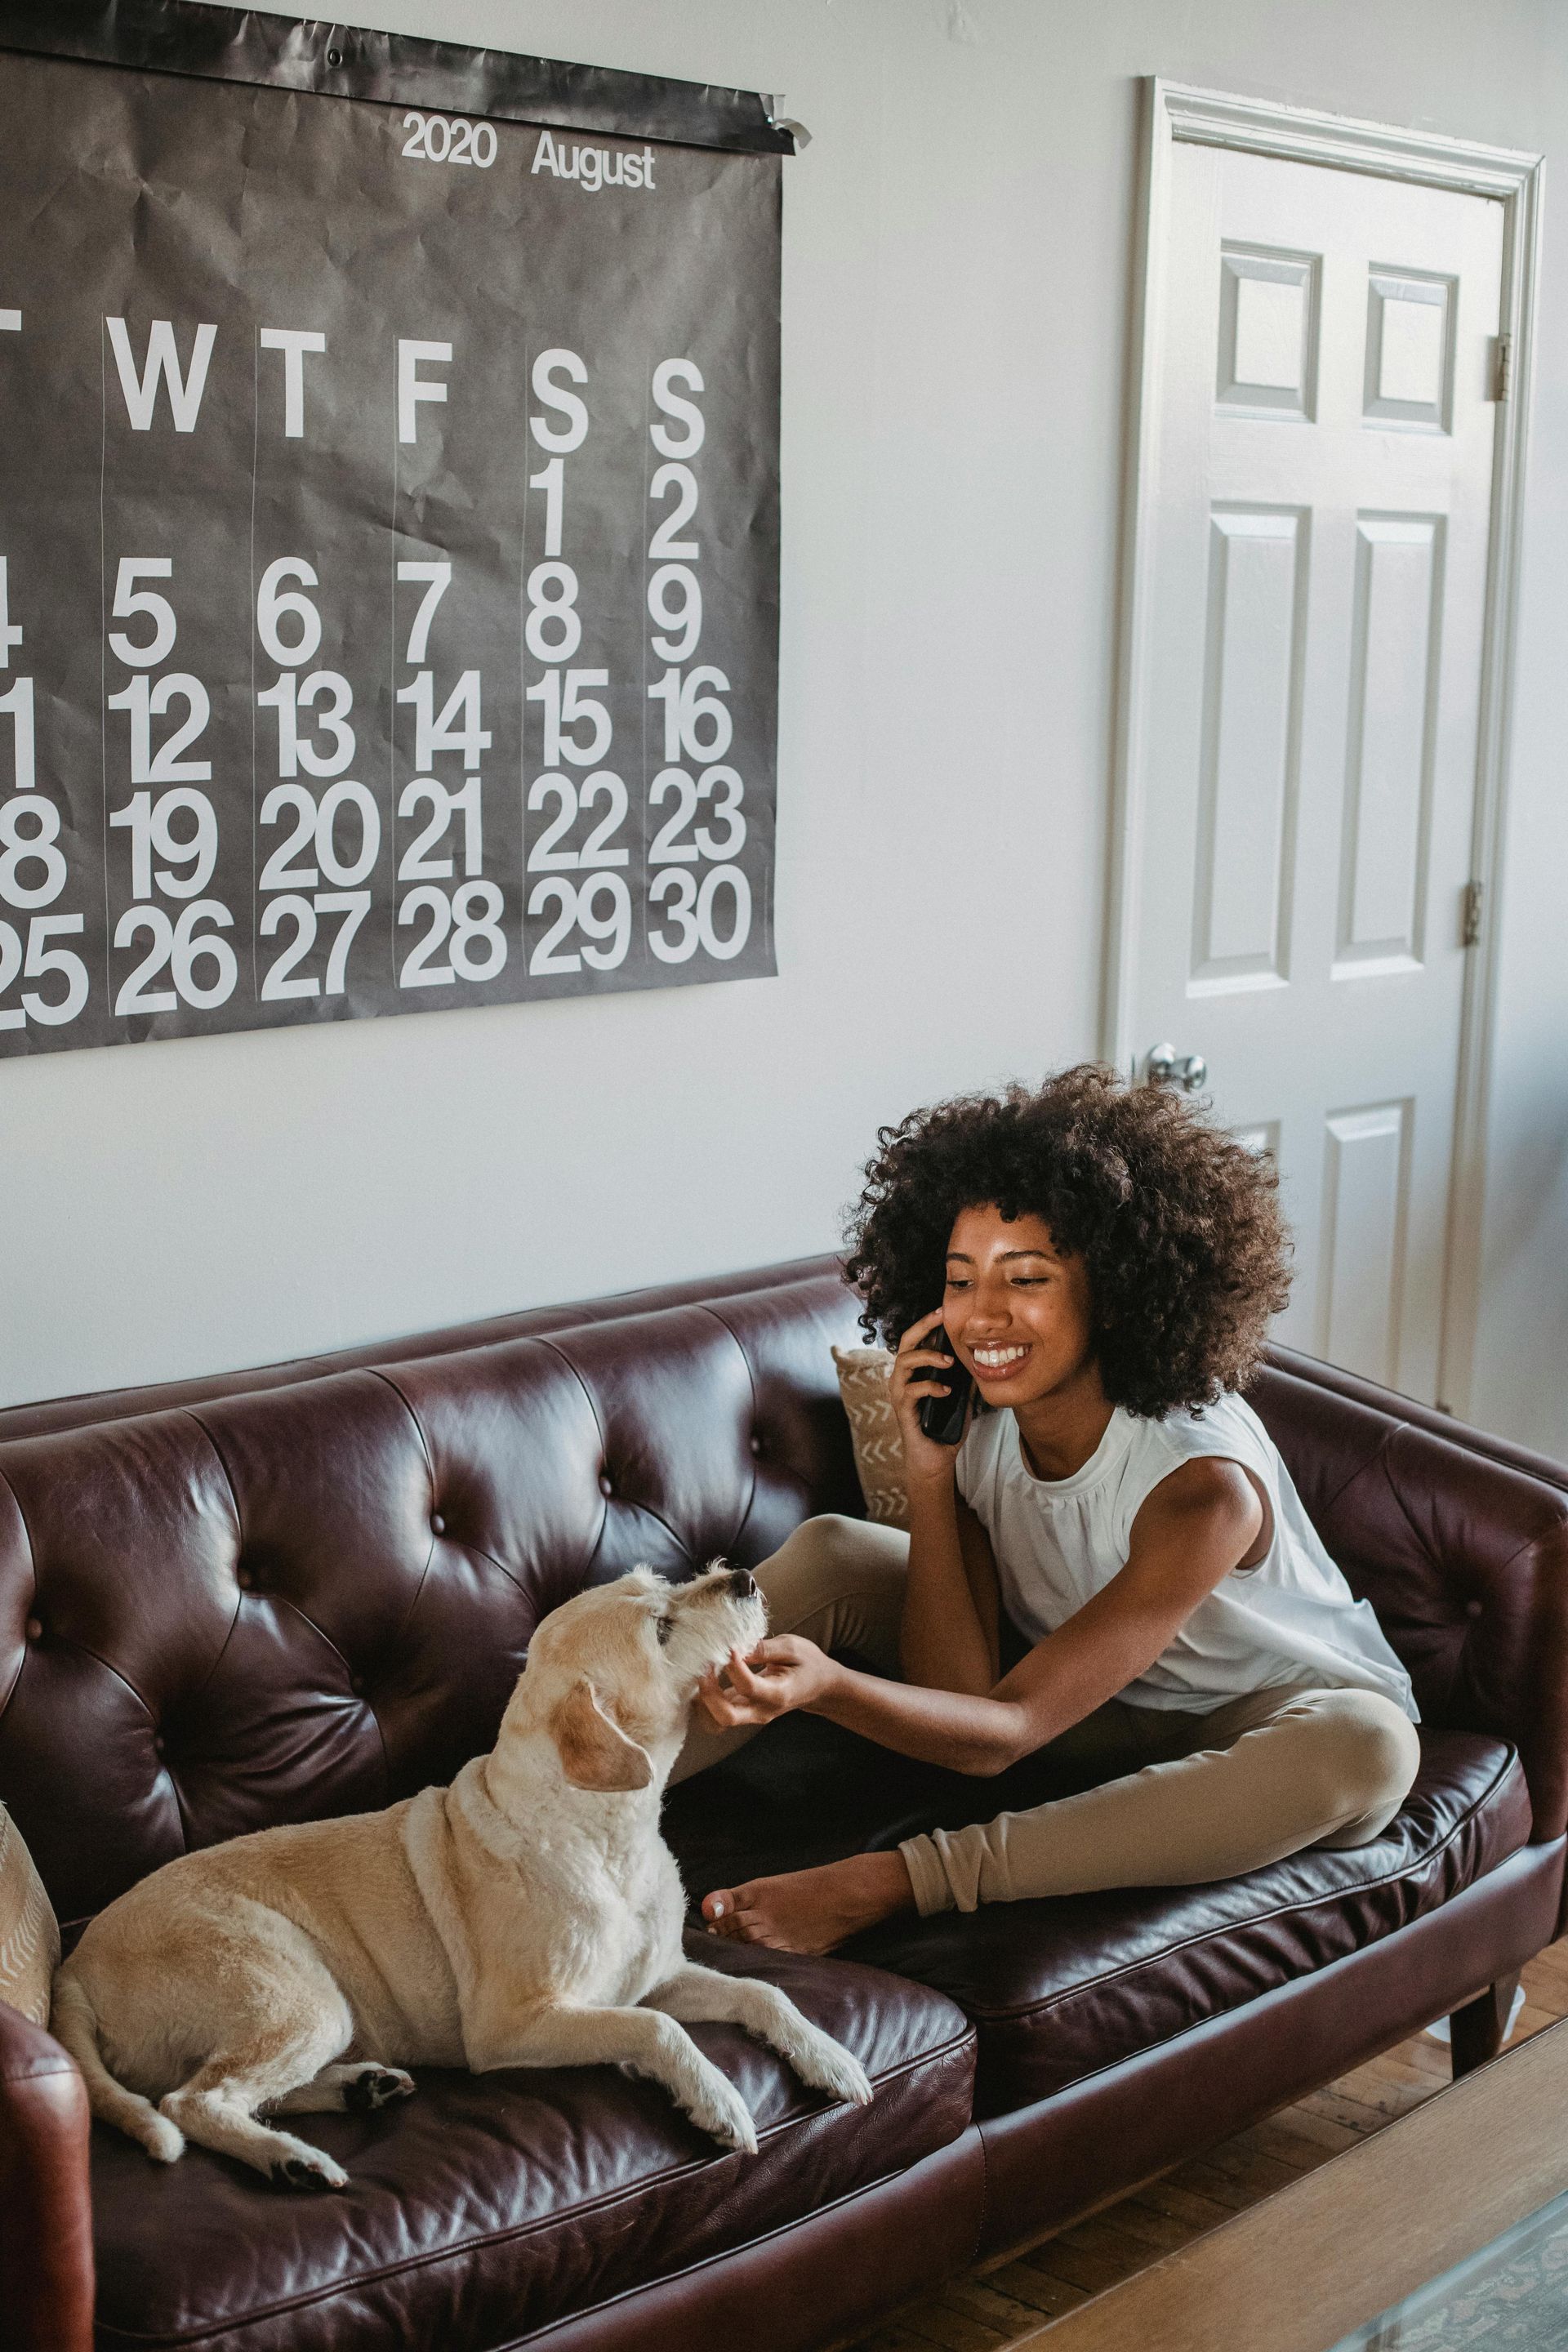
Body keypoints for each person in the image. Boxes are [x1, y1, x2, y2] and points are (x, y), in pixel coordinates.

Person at [680, 1067, 1421, 1956]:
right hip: (1094, 1720)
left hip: (1258, 1725)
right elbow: (959, 1704)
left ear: (1113, 1289)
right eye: (960, 1281)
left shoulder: (1198, 1484)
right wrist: (929, 1474)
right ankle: (533, 1794)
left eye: (1024, 1278)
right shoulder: (982, 1417)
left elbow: (1006, 1735)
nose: (982, 1317)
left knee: (1368, 1747)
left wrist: (832, 1689)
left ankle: (904, 1881)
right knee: (838, 1549)